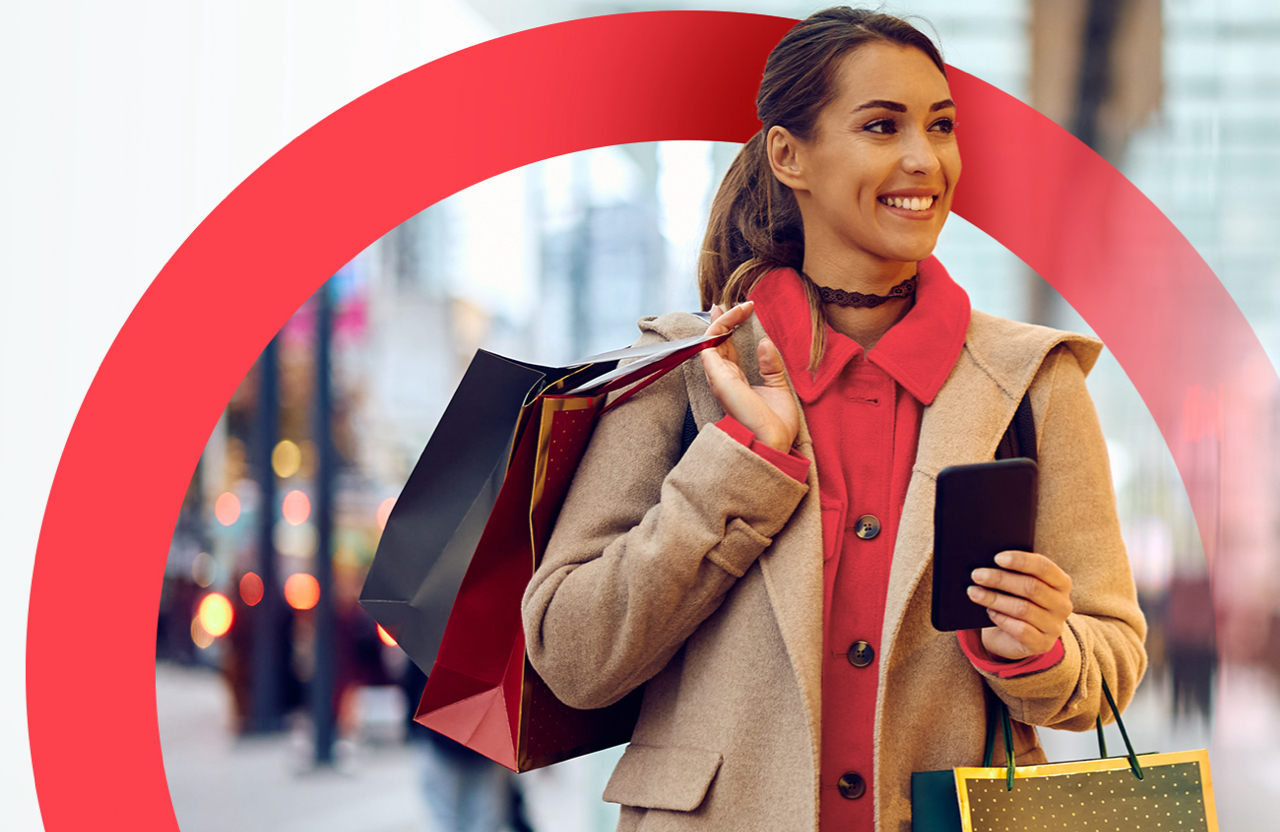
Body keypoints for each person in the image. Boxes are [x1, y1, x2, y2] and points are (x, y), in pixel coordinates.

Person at [521, 7, 1147, 832]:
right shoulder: (685, 371)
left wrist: (1043, 645)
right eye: (881, 126)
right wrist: (740, 465)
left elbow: (1112, 663)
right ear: (790, 155)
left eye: (942, 125)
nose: (924, 159)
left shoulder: (1035, 384)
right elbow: (573, 657)